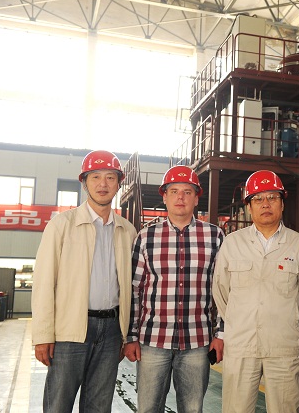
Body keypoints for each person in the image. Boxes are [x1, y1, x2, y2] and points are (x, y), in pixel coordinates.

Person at [32, 150, 137, 412]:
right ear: (84, 182)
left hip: (112, 331)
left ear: (118, 183)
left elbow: (133, 289)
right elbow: (43, 282)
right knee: (58, 404)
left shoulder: (127, 231)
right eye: (95, 177)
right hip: (70, 330)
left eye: (110, 177)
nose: (103, 184)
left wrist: (126, 334)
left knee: (99, 406)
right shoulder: (62, 225)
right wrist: (43, 335)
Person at [124, 165, 224, 412]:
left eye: (187, 192)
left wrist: (220, 334)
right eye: (174, 191)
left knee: (192, 408)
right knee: (148, 408)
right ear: (165, 197)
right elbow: (135, 291)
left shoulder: (215, 237)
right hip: (153, 341)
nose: (181, 197)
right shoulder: (146, 237)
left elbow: (224, 291)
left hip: (197, 342)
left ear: (196, 198)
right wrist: (131, 337)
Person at [212, 170, 299, 413]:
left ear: (282, 203)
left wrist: (280, 317)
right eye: (258, 199)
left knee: (286, 409)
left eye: (272, 197)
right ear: (248, 207)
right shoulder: (232, 243)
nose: (265, 204)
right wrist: (240, 320)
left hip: (283, 345)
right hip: (241, 344)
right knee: (236, 409)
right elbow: (221, 291)